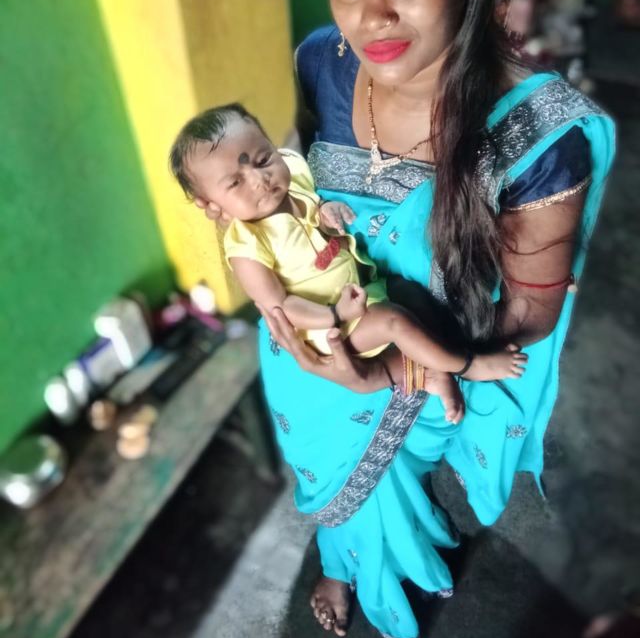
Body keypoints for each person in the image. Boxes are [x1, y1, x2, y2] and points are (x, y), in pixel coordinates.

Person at [194, 0, 615, 638]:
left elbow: (526, 320)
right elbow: (297, 194)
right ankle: (344, 561)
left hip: (422, 368)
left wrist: (388, 366)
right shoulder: (322, 62)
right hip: (312, 353)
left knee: (384, 487)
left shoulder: (537, 135)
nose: (372, 16)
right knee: (329, 478)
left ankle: (379, 588)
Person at [170, 104, 528, 423]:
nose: (259, 180)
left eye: (263, 160)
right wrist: (334, 315)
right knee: (393, 320)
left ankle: (432, 372)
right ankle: (468, 365)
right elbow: (282, 307)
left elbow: (313, 208)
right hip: (328, 331)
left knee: (412, 295)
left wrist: (326, 213)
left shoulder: (293, 177)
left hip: (360, 291)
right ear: (212, 206)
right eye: (235, 182)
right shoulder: (248, 246)